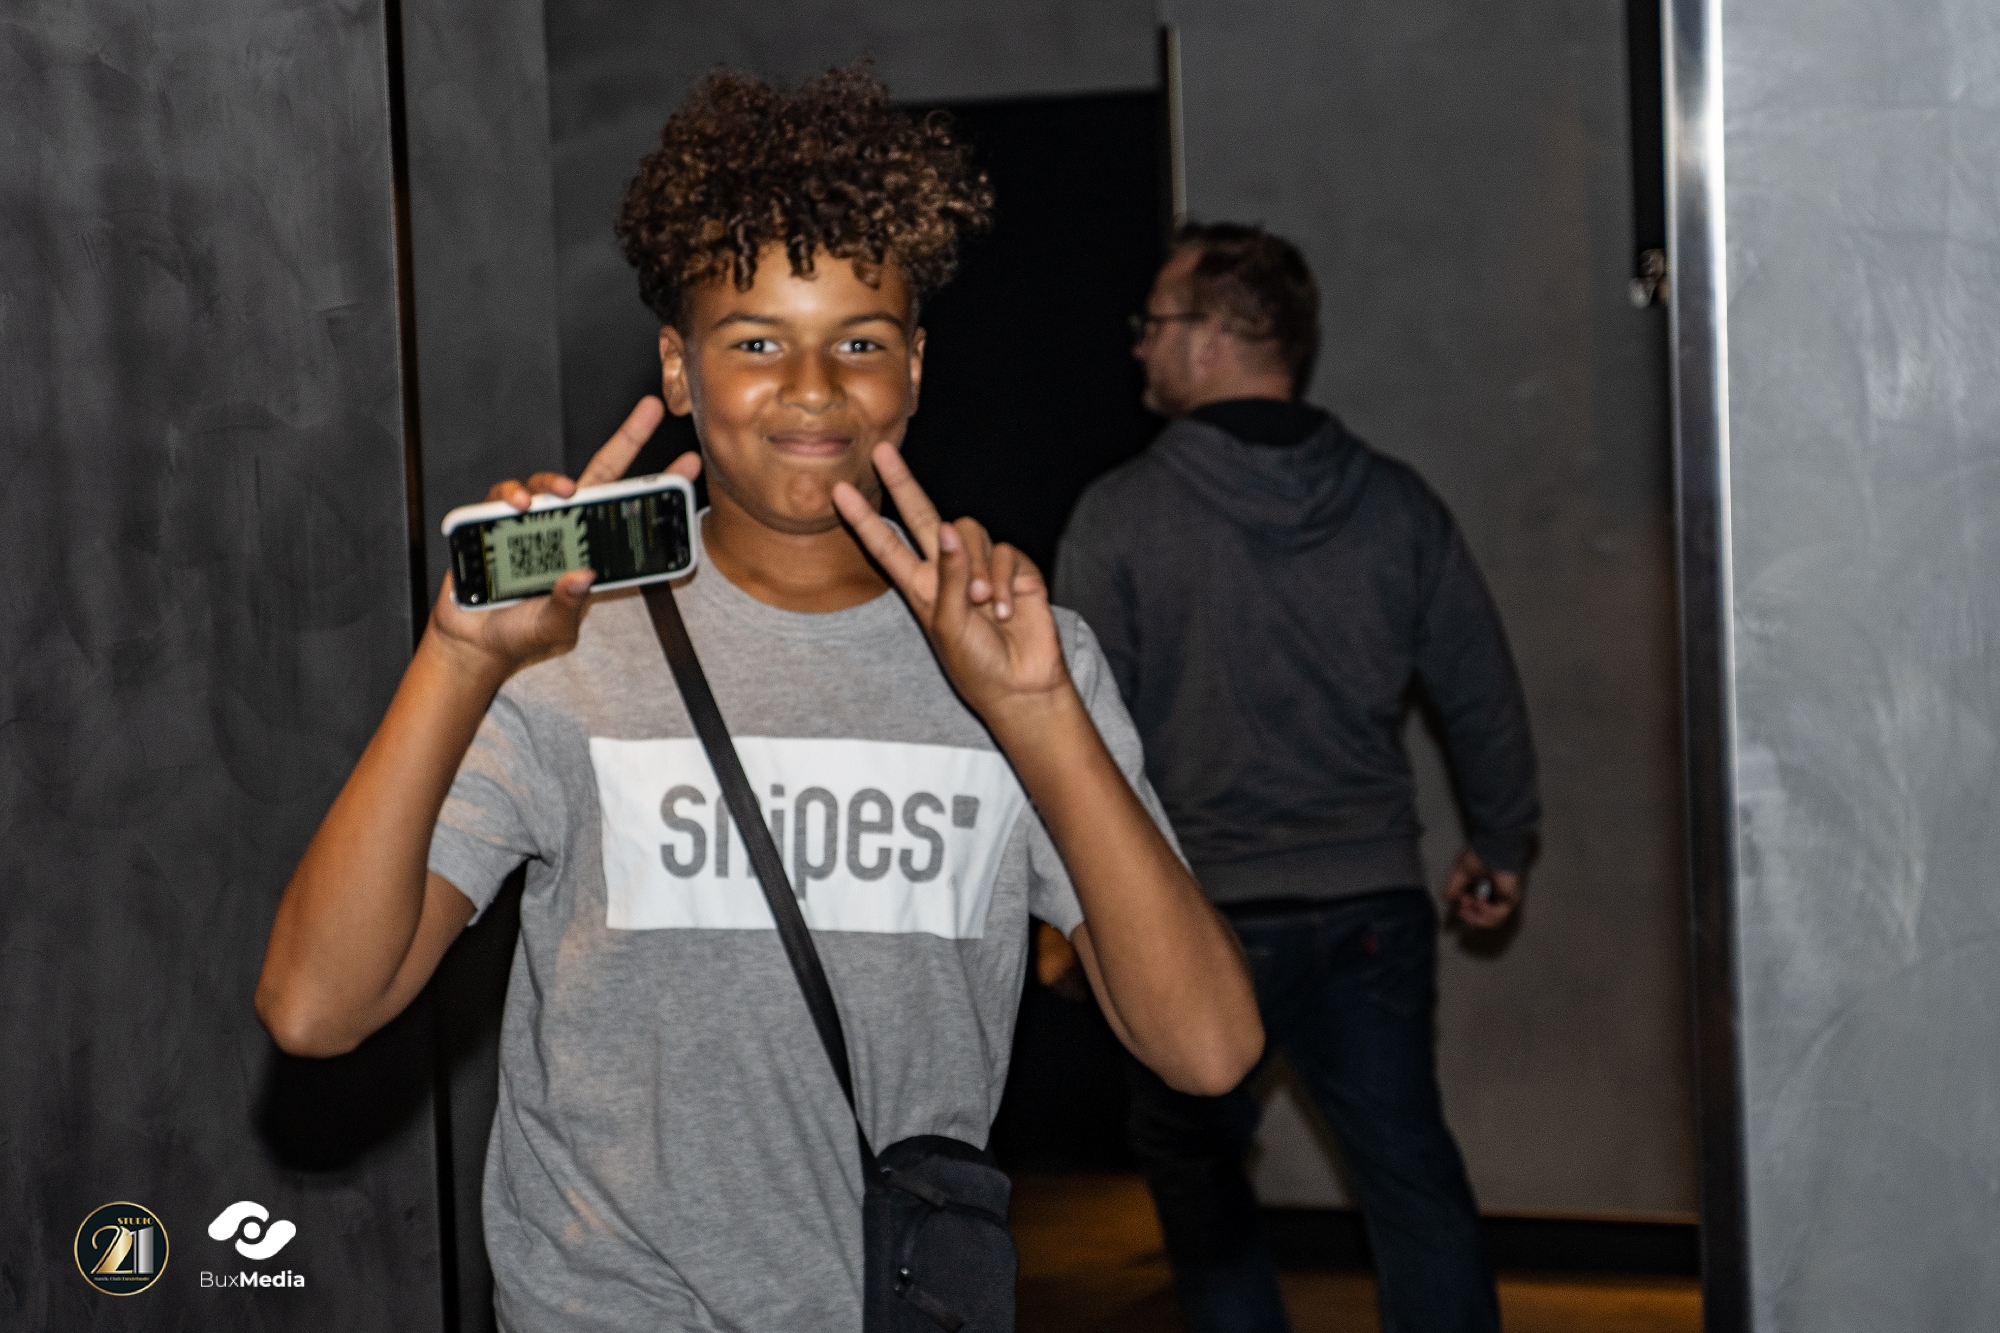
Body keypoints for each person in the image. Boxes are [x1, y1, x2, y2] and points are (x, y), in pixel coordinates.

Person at [254, 69, 1261, 1332]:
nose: (811, 386)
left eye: (860, 340)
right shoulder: (565, 651)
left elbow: (1208, 1049)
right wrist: (459, 659)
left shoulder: (1025, 661)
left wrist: (1037, 715)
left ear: (914, 368)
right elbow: (315, 1006)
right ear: (677, 370)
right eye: (754, 342)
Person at [1054, 222, 1540, 1333]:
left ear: (1214, 339)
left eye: (1154, 325)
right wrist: (1501, 842)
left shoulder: (1120, 515)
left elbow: (1079, 735)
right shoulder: (1398, 502)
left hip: (1202, 917)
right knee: (1412, 1180)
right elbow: (1480, 689)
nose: (1138, 347)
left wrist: (1076, 912)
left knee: (1202, 1184)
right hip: (1370, 905)